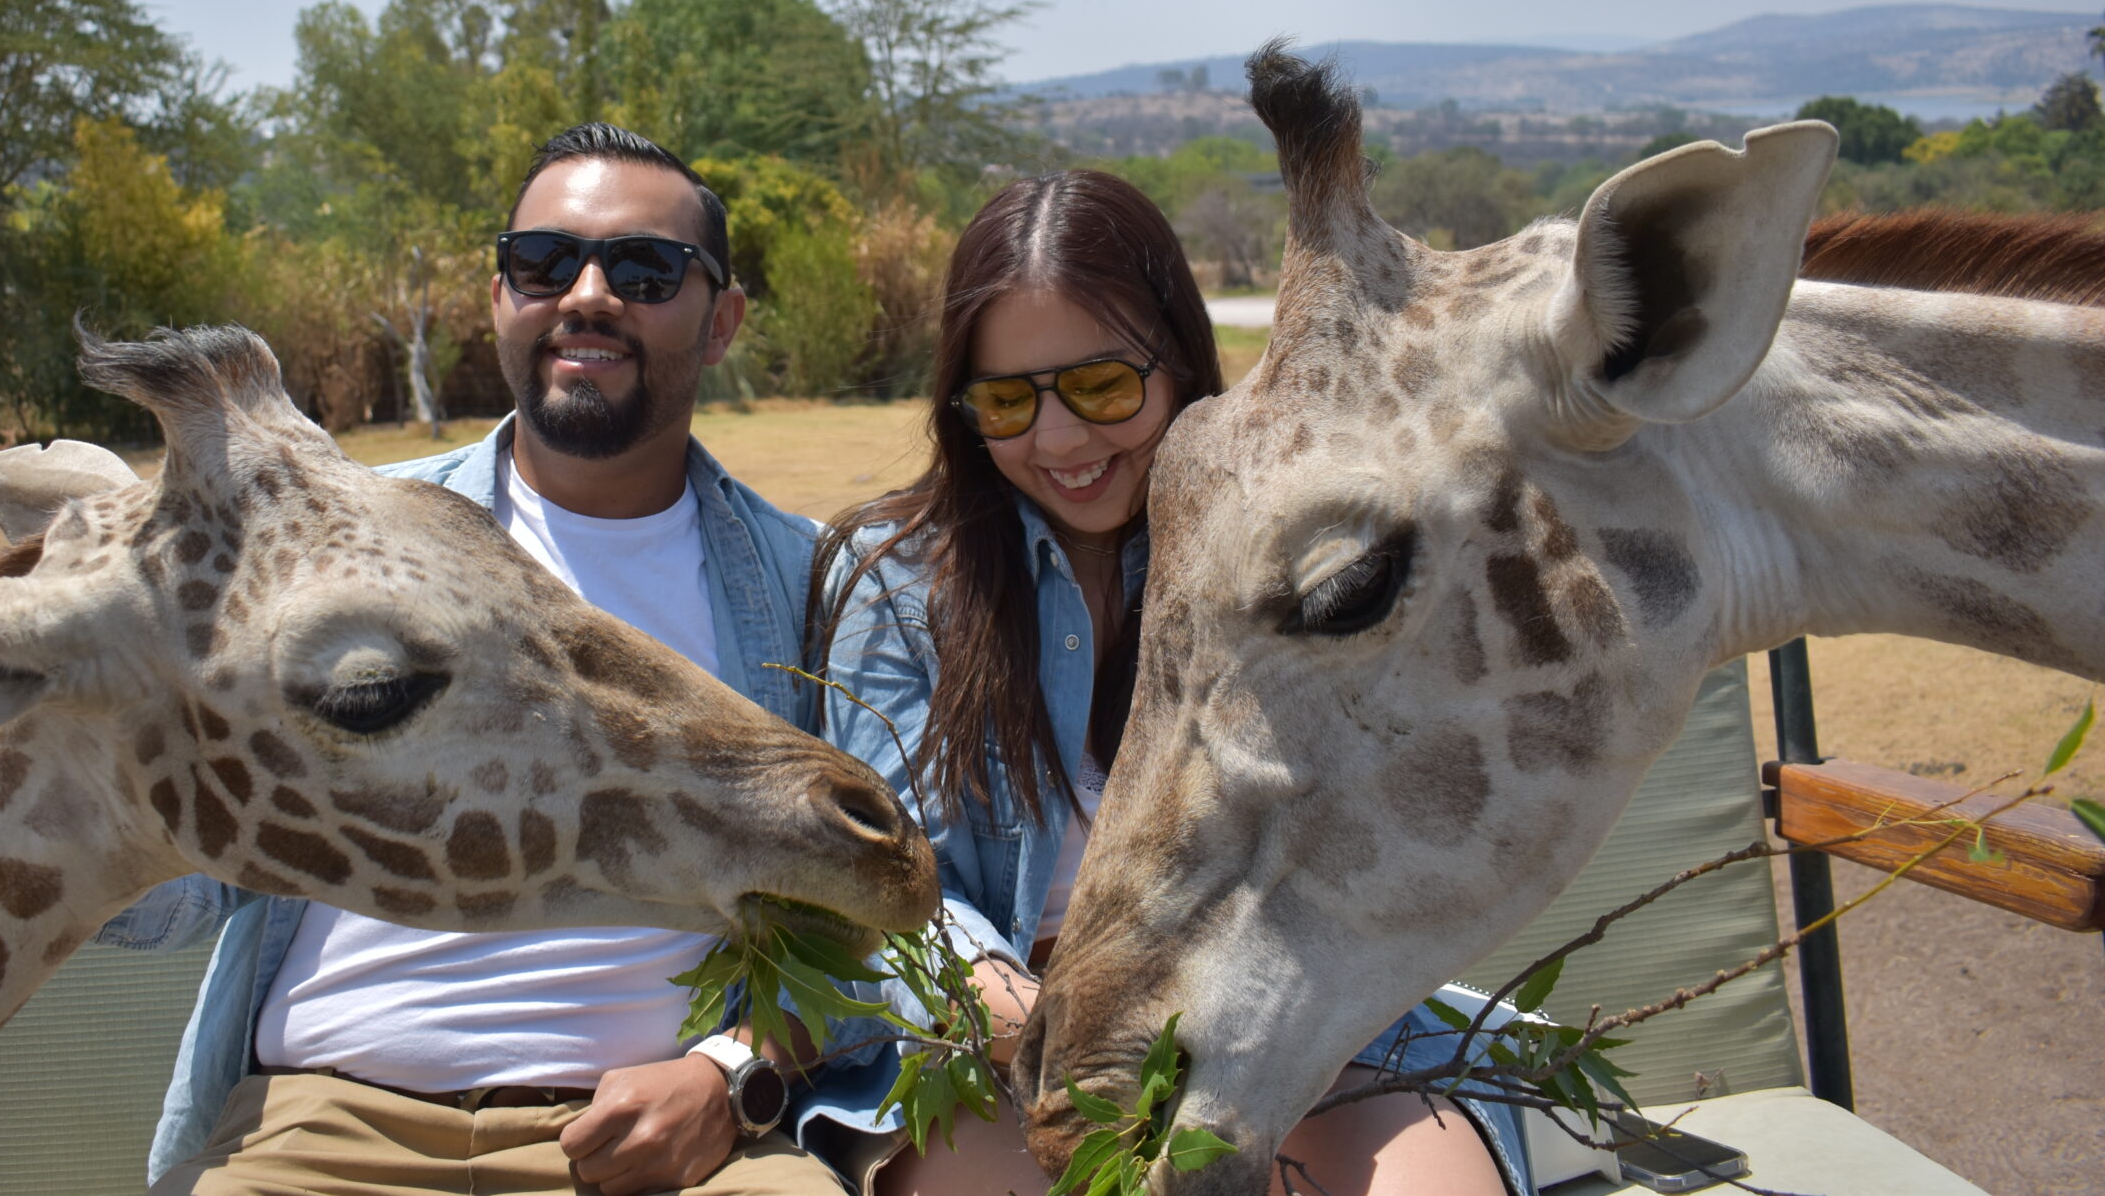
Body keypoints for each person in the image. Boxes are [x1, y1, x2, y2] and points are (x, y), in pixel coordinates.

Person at [101, 124, 847, 1196]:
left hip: (667, 1145)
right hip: (328, 1122)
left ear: (721, 319)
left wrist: (731, 1075)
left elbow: (881, 906)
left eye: (645, 270)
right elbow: (177, 875)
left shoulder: (809, 583)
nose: (587, 293)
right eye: (543, 262)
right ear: (501, 296)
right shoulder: (332, 542)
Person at [803, 170, 1533, 1196]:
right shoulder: (896, 581)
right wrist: (1065, 1037)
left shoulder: (1300, 557)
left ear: (1179, 361)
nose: (1057, 441)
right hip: (999, 1048)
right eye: (1007, 401)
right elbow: (892, 889)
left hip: (1287, 1023)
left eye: (1101, 386)